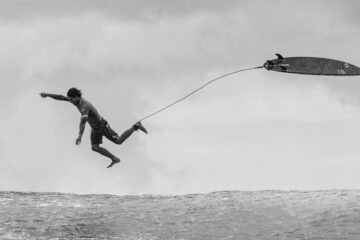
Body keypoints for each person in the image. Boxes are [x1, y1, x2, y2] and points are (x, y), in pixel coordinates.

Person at [40, 87, 148, 168]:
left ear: (77, 97)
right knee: (96, 147)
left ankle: (135, 128)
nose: (70, 101)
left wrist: (79, 136)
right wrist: (48, 94)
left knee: (117, 141)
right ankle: (115, 157)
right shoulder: (75, 101)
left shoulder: (84, 106)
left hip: (101, 125)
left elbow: (82, 122)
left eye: (72, 99)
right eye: (70, 99)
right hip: (95, 127)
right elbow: (61, 97)